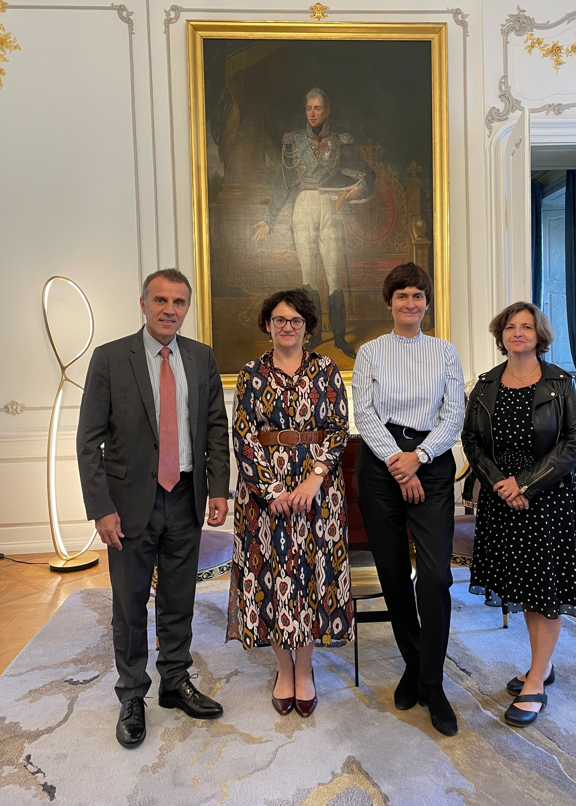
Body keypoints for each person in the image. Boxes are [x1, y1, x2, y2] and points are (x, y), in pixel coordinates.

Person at [76, 269, 230, 748]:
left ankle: (174, 681)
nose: (170, 309)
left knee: (179, 598)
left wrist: (219, 490)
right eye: (161, 300)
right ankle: (131, 695)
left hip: (184, 497)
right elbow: (88, 442)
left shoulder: (202, 358)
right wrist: (101, 508)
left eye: (179, 302)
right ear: (142, 304)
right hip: (127, 506)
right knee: (128, 603)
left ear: (187, 308)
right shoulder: (109, 359)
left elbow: (215, 431)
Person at [462, 301, 576, 728]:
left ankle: (537, 678)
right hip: (504, 501)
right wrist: (502, 483)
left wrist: (525, 484)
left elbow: (575, 442)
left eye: (526, 326)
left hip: (550, 499)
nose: (517, 332)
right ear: (500, 335)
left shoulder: (560, 383)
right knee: (525, 585)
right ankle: (542, 663)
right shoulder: (485, 385)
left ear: (540, 335)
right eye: (510, 327)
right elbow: (472, 442)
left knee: (546, 589)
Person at [227, 288, 353, 717]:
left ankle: (306, 668)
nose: (287, 327)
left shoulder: (328, 370)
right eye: (280, 320)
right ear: (268, 325)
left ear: (307, 327)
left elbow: (337, 429)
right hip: (264, 498)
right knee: (272, 578)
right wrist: (272, 491)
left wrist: (314, 481)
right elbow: (243, 436)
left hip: (318, 494)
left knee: (310, 578)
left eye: (295, 321)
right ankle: (283, 669)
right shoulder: (249, 374)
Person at [352, 262, 465, 737]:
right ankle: (413, 662)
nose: (410, 303)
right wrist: (397, 462)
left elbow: (453, 413)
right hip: (379, 468)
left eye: (418, 295)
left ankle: (433, 684)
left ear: (427, 302)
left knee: (436, 576)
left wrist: (417, 457)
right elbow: (364, 411)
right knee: (393, 573)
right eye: (401, 295)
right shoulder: (369, 352)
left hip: (431, 464)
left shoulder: (444, 352)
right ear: (389, 301)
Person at [252, 88, 376, 359]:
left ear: (327, 110)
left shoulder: (342, 141)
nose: (312, 113)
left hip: (331, 206)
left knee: (333, 274)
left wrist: (359, 189)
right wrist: (268, 220)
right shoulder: (292, 142)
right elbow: (281, 185)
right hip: (303, 207)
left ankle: (341, 337)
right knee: (308, 274)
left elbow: (367, 175)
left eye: (318, 108)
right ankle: (315, 332)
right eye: (309, 108)